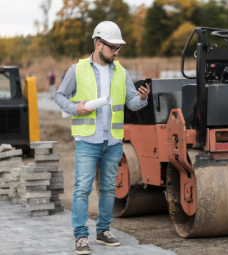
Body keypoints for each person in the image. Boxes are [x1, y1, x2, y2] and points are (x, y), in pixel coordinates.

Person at [54, 21, 150, 255]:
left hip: (113, 141)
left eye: (119, 48)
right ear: (99, 44)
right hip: (87, 140)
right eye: (113, 47)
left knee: (108, 188)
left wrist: (142, 98)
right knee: (81, 189)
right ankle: (80, 236)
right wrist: (77, 108)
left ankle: (103, 230)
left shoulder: (122, 72)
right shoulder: (77, 70)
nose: (117, 52)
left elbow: (131, 104)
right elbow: (59, 96)